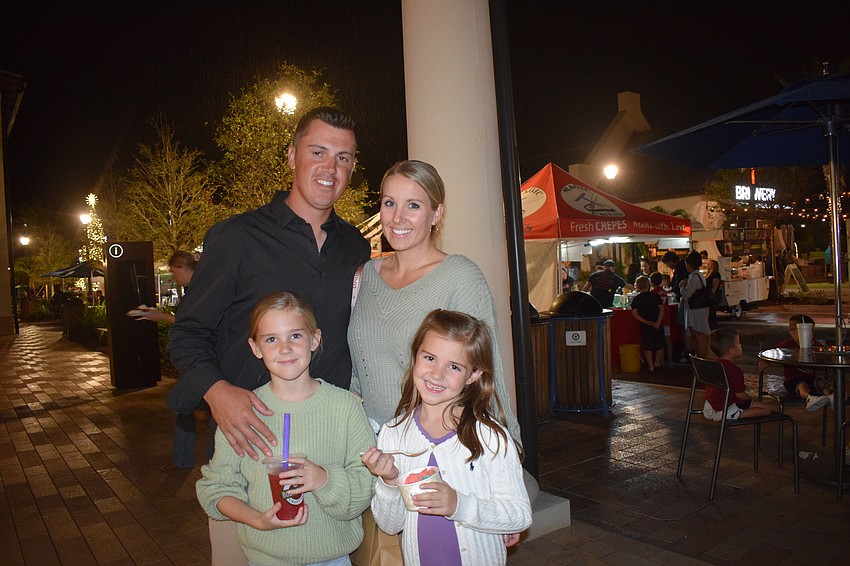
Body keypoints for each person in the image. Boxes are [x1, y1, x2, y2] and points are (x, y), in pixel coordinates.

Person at [168, 106, 371, 462]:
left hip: (334, 437)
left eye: (343, 157)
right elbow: (188, 333)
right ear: (292, 156)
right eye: (318, 152)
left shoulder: (355, 246)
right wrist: (217, 393)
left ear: (352, 168)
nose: (330, 168)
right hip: (253, 438)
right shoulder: (237, 238)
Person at [197, 291, 375, 566]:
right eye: (271, 339)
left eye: (295, 335)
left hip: (333, 558)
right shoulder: (243, 413)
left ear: (314, 339)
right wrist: (257, 519)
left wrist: (323, 479)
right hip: (264, 559)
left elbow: (366, 483)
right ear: (255, 348)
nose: (285, 348)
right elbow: (217, 488)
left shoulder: (346, 408)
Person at [348, 160, 521, 442]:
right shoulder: (366, 275)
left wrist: (503, 443)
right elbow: (359, 371)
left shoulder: (459, 277)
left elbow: (487, 372)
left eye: (413, 205)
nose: (397, 217)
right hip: (374, 443)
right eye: (389, 203)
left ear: (436, 213)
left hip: (437, 445)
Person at [361, 309, 532, 565]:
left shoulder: (490, 437)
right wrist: (389, 481)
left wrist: (458, 505)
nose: (437, 374)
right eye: (430, 357)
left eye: (454, 366)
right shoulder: (393, 434)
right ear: (415, 357)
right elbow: (389, 525)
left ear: (473, 375)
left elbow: (518, 516)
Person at [134, 251, 203, 471]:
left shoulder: (200, 291)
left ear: (184, 268)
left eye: (174, 272)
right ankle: (183, 458)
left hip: (200, 360)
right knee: (182, 405)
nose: (173, 277)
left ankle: (186, 458)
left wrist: (161, 317)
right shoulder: (198, 289)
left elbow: (195, 325)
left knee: (180, 403)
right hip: (198, 359)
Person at [760, 314, 833, 411]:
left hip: (811, 379)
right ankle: (809, 399)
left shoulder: (815, 345)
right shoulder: (787, 345)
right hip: (792, 380)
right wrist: (765, 362)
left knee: (820, 381)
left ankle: (831, 396)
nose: (792, 333)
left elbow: (824, 356)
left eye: (796, 330)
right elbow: (773, 352)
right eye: (791, 330)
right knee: (801, 385)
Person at [703, 329, 771, 421]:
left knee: (757, 405)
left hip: (714, 401)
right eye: (738, 343)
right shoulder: (733, 369)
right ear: (731, 350)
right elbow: (740, 395)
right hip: (729, 403)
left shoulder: (714, 365)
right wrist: (750, 399)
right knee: (766, 409)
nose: (741, 345)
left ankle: (721, 412)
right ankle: (731, 414)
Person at [680, 250, 712, 359]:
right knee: (701, 333)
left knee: (698, 333)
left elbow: (686, 294)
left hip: (696, 309)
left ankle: (701, 356)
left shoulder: (693, 277)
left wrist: (681, 287)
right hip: (701, 308)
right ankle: (703, 356)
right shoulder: (700, 275)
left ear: (689, 264)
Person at [631, 276, 664, 372]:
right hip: (657, 322)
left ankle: (650, 365)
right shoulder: (655, 296)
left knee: (647, 345)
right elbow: (661, 309)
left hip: (645, 325)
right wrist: (658, 322)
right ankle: (657, 362)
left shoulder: (637, 299)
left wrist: (645, 322)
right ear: (648, 285)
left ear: (637, 286)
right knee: (659, 343)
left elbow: (634, 313)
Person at [649, 272, 674, 368]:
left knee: (659, 340)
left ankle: (660, 361)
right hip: (666, 318)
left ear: (651, 282)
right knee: (667, 339)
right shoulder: (663, 292)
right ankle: (669, 360)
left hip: (657, 319)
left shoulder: (653, 293)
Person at [705, 259, 723, 330]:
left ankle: (714, 329)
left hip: (712, 297)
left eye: (709, 263)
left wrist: (712, 294)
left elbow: (714, 287)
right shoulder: (709, 274)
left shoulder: (715, 275)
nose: (707, 265)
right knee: (710, 314)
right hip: (709, 296)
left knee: (712, 314)